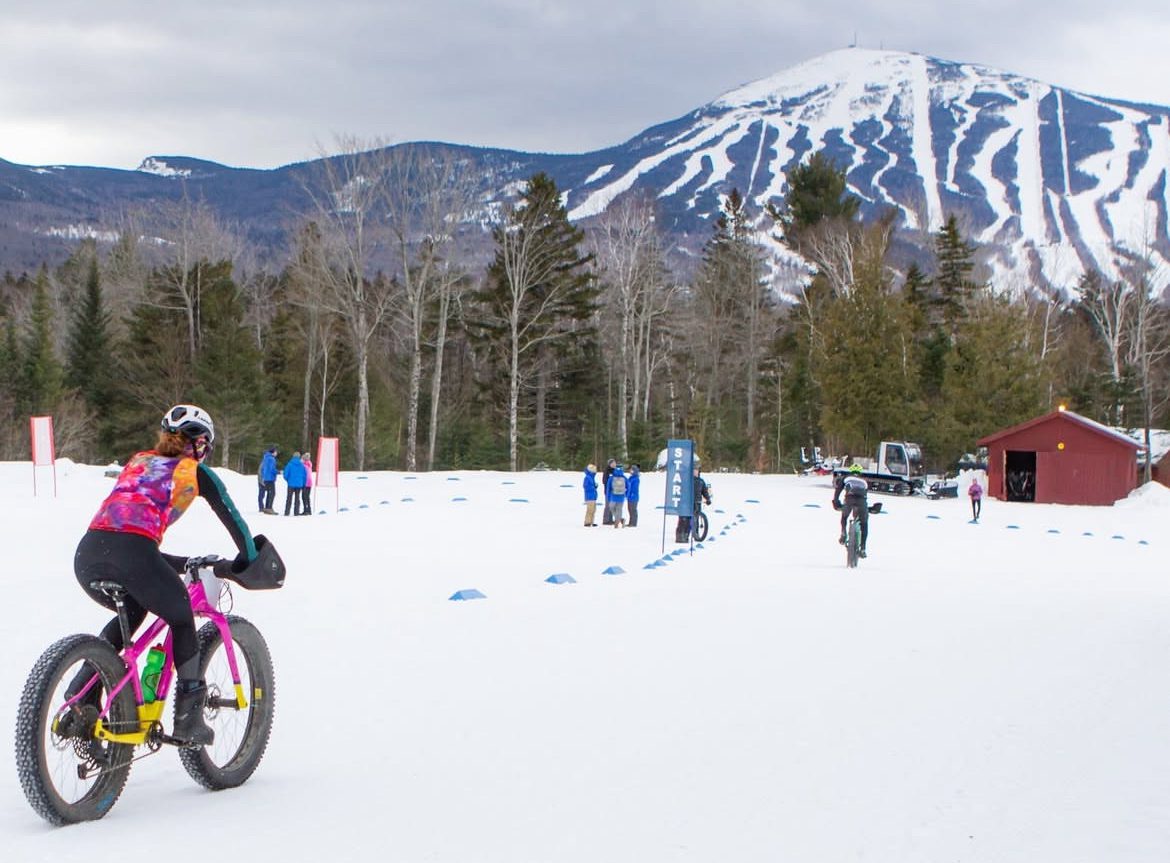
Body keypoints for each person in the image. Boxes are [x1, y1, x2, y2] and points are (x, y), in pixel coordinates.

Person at [68, 404, 261, 746]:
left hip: (88, 553)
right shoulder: (194, 472)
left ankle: (81, 695)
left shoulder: (138, 461)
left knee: (132, 610)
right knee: (182, 617)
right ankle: (189, 720)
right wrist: (249, 558)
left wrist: (175, 561)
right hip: (134, 555)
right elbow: (234, 519)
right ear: (201, 443)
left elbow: (126, 530)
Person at [833, 463, 870, 557]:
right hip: (861, 502)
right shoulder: (864, 481)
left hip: (849, 499)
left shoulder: (846, 478)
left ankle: (843, 532)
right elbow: (865, 495)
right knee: (864, 523)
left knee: (844, 517)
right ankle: (863, 548)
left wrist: (836, 501)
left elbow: (838, 490)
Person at [675, 464, 711, 542]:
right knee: (685, 519)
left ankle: (696, 534)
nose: (695, 472)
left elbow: (705, 492)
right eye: (693, 470)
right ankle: (683, 535)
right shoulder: (686, 480)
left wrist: (708, 499)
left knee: (696, 519)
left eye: (696, 470)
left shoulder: (701, 481)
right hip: (687, 502)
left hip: (697, 502)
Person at [282, 451, 307, 516]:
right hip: (299, 484)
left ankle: (287, 512)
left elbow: (285, 474)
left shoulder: (289, 464)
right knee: (297, 498)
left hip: (291, 484)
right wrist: (303, 483)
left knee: (289, 498)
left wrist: (288, 480)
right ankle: (296, 512)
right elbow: (304, 475)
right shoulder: (302, 465)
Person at [606, 463, 628, 528]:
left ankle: (618, 521)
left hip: (613, 496)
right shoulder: (624, 477)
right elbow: (628, 486)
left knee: (611, 508)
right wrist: (626, 495)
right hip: (621, 496)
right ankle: (618, 521)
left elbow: (608, 488)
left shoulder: (611, 477)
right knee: (619, 509)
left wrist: (608, 496)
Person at [258, 445, 278, 514]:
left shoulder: (265, 458)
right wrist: (277, 471)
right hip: (270, 478)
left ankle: (267, 508)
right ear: (273, 452)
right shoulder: (271, 459)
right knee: (272, 493)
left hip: (265, 478)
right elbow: (272, 469)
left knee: (269, 493)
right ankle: (269, 508)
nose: (276, 453)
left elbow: (263, 468)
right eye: (276, 452)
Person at [601, 458, 617, 525]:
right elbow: (604, 481)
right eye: (612, 463)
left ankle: (610, 519)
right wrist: (610, 483)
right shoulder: (607, 471)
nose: (614, 464)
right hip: (608, 491)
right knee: (608, 505)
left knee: (612, 506)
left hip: (614, 491)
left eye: (615, 463)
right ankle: (606, 520)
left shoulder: (615, 471)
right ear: (609, 464)